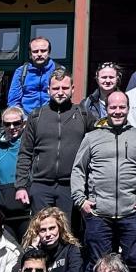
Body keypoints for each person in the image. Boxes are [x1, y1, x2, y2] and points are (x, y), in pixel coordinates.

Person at [70, 89, 136, 272]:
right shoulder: (92, 137)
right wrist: (81, 200)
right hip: (99, 213)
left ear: (128, 109)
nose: (117, 111)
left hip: (131, 212)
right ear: (106, 108)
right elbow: (78, 169)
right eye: (113, 107)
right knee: (97, 265)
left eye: (122, 107)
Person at [16, 68, 86, 214]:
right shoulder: (36, 116)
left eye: (65, 88)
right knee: (42, 231)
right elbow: (25, 153)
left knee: (68, 232)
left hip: (72, 186)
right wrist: (21, 186)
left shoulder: (83, 115)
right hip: (41, 186)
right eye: (56, 88)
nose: (60, 92)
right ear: (48, 90)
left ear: (72, 89)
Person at [0, 106, 32, 242]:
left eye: (16, 123)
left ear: (23, 123)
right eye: (7, 124)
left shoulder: (31, 148)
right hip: (6, 214)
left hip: (28, 213)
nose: (12, 127)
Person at [21, 204, 86, 272]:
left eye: (52, 228)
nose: (48, 234)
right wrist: (32, 247)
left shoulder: (70, 248)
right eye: (43, 230)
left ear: (59, 228)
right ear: (37, 233)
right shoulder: (35, 250)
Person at [8, 36, 57, 114]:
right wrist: (22, 118)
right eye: (35, 51)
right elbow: (13, 101)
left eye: (43, 51)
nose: (39, 54)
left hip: (52, 117)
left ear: (49, 52)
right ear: (30, 53)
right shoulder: (21, 72)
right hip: (27, 118)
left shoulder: (58, 70)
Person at [81, 59, 125, 125]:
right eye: (104, 77)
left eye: (111, 77)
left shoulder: (125, 101)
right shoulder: (87, 103)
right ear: (97, 79)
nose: (107, 81)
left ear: (117, 79)